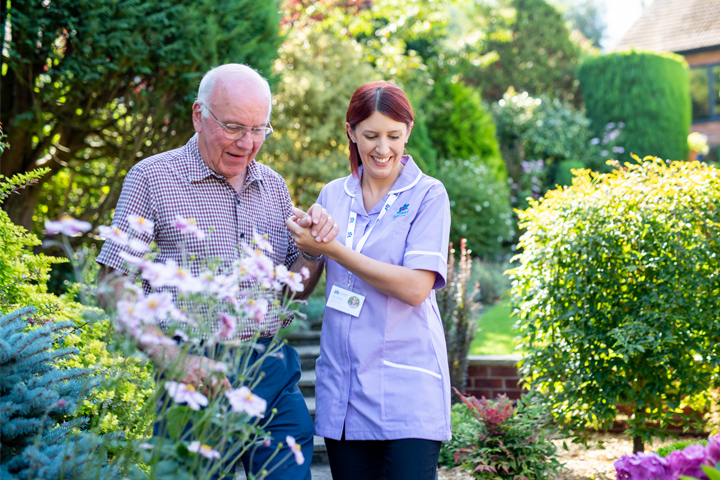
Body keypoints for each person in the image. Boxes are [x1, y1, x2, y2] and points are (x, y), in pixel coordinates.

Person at [96, 63, 338, 479]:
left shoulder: (274, 187)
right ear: (198, 115)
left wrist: (313, 253)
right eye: (233, 127)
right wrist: (172, 358)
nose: (248, 143)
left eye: (260, 129)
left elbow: (291, 293)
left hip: (269, 369)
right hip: (194, 373)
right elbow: (111, 282)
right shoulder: (152, 177)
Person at [286, 81, 452, 480]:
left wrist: (334, 249)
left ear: (408, 131)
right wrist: (308, 247)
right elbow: (299, 287)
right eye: (371, 135)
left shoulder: (428, 195)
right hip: (345, 390)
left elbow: (416, 288)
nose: (383, 148)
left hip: (406, 390)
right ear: (350, 132)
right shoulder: (332, 195)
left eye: (394, 136)